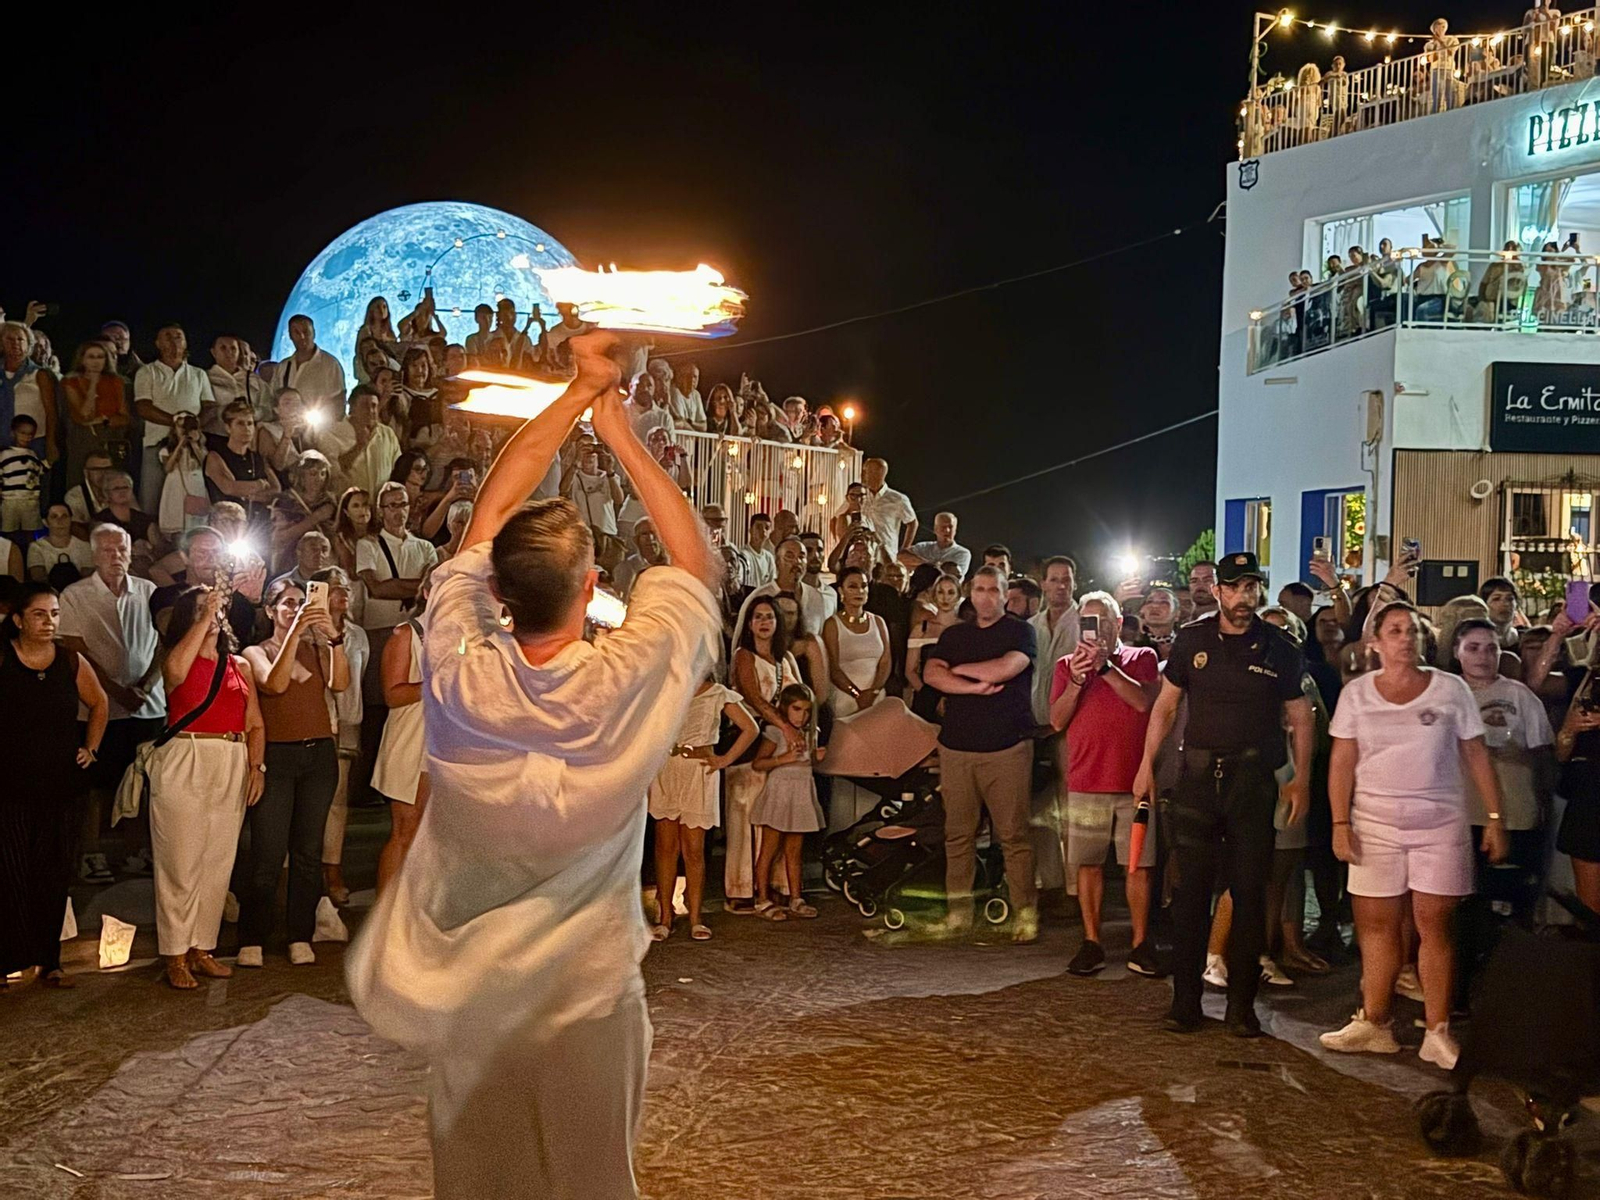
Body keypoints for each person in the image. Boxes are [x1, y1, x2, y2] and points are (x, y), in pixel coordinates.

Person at [347, 329, 721, 1200]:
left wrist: (571, 393)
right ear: (591, 589)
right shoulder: (627, 680)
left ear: (499, 596)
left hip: (474, 1001)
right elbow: (696, 562)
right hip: (589, 1000)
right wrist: (618, 424)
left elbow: (484, 520)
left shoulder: (458, 670)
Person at [1319, 603, 1509, 1069]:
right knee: (1377, 929)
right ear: (1376, 642)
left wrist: (1494, 816)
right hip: (1374, 825)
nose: (1405, 639)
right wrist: (1339, 823)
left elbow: (1477, 755)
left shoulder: (1450, 689)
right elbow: (1342, 762)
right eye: (1394, 630)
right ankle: (1375, 1021)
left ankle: (1437, 1029)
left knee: (1434, 927)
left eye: (1412, 631)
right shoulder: (1357, 694)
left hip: (1439, 825)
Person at [1134, 552, 1313, 1037]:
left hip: (1252, 783)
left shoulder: (1278, 645)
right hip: (1197, 781)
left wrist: (1300, 779)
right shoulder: (1193, 639)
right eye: (1234, 588)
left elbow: (1301, 716)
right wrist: (1146, 766)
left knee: (1249, 895)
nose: (1243, 597)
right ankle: (1184, 1004)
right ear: (1218, 591)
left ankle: (1240, 1009)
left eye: (1251, 587)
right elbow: (1165, 709)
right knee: (1190, 898)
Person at [149, 584, 266, 990]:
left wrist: (257, 766)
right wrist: (202, 619)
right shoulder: (175, 656)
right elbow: (176, 674)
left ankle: (202, 947)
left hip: (230, 757)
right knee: (181, 861)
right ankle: (175, 953)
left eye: (216, 608)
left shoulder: (240, 665)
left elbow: (254, 721)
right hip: (188, 754)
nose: (213, 613)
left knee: (218, 862)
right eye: (201, 608)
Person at [922, 565, 1040, 941]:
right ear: (970, 594)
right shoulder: (955, 634)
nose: (986, 596)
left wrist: (958, 673)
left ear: (1006, 594)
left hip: (1006, 749)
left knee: (1014, 837)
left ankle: (1024, 915)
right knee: (958, 836)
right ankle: (960, 914)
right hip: (957, 748)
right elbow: (930, 674)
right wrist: (973, 687)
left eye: (994, 589)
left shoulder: (1021, 631)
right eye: (980, 589)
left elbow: (1007, 667)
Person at [235, 579, 348, 968]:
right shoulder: (255, 651)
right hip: (277, 758)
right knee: (267, 852)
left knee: (308, 851)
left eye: (301, 602)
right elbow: (275, 684)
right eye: (287, 603)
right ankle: (253, 935)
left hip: (318, 755)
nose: (295, 609)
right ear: (270, 610)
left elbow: (342, 683)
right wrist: (296, 632)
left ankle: (300, 934)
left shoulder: (317, 648)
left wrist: (332, 638)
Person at [1049, 591, 1162, 976]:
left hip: (1132, 780)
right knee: (1088, 863)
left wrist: (1106, 668)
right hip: (1087, 778)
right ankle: (1092, 940)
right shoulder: (1068, 665)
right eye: (1089, 622)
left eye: (1103, 622)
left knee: (1138, 865)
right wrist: (1079, 678)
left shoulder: (1141, 658)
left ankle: (1141, 943)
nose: (1096, 630)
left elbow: (1143, 702)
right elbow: (1057, 720)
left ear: (1117, 624)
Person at [0, 584, 107, 988]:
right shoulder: (4, 658)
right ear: (19, 619)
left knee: (52, 873)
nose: (50, 622)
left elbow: (99, 703)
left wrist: (90, 748)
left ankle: (50, 960)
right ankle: (7, 959)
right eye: (40, 614)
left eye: (55, 614)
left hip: (59, 784)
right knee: (9, 872)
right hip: (9, 785)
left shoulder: (69, 661)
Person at [57, 524, 166, 880]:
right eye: (106, 550)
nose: (115, 556)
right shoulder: (75, 595)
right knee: (95, 786)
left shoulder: (149, 592)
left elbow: (164, 643)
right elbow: (75, 651)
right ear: (93, 554)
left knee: (141, 781)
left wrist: (145, 686)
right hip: (96, 708)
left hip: (146, 706)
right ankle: (92, 854)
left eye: (121, 549)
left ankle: (136, 851)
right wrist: (114, 691)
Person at [649, 676, 757, 942]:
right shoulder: (667, 688)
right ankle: (665, 915)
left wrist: (725, 760)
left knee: (694, 848)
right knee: (665, 846)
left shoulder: (718, 693)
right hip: (667, 768)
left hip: (700, 770)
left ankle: (696, 916)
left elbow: (750, 728)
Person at [725, 596, 804, 914]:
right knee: (745, 817)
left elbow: (802, 694)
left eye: (769, 616)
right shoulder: (744, 656)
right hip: (752, 742)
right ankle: (742, 888)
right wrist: (784, 726)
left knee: (775, 819)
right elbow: (753, 697)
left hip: (778, 747)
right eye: (757, 617)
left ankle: (776, 885)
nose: (763, 622)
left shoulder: (785, 660)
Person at [312, 566, 367, 907]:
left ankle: (332, 867)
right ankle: (298, 868)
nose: (342, 594)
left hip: (346, 720)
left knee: (337, 800)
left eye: (345, 588)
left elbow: (356, 684)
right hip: (316, 721)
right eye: (334, 588)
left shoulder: (357, 635)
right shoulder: (307, 632)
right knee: (309, 802)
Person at [750, 684, 827, 921]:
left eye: (806, 710)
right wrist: (783, 758)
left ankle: (796, 897)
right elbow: (758, 763)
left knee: (794, 850)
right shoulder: (776, 732)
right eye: (796, 709)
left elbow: (810, 760)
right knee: (769, 849)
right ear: (785, 708)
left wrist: (817, 756)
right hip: (781, 792)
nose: (801, 715)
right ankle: (762, 898)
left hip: (801, 792)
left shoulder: (811, 732)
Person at [371, 614, 428, 894]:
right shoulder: (407, 633)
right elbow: (392, 695)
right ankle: (385, 914)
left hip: (442, 744)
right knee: (406, 828)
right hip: (410, 739)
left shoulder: (465, 632)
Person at [135, 323, 215, 514]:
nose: (173, 340)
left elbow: (210, 406)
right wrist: (176, 422)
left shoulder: (198, 374)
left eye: (178, 336)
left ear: (186, 342)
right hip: (157, 445)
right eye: (167, 336)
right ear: (157, 343)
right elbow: (143, 407)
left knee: (192, 501)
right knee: (152, 502)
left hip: (193, 450)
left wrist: (193, 428)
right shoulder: (147, 372)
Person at [61, 340, 132, 491]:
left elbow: (124, 417)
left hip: (109, 438)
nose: (95, 361)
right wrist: (93, 384)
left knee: (112, 485)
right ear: (82, 359)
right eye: (91, 357)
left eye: (100, 357)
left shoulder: (116, 381)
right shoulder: (71, 382)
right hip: (82, 440)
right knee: (80, 485)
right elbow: (85, 415)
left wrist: (104, 420)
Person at [824, 565, 891, 717]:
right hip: (846, 696)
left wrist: (874, 692)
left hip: (876, 695)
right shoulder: (832, 625)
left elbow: (886, 661)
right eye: (853, 586)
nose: (859, 591)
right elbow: (833, 667)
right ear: (841, 591)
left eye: (864, 586)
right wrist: (857, 694)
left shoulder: (878, 621)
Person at [204, 400, 281, 527]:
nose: (246, 429)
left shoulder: (257, 458)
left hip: (258, 524)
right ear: (228, 428)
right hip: (228, 525)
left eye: (249, 424)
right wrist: (260, 484)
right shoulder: (215, 456)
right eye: (240, 423)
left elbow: (276, 489)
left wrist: (248, 494)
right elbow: (229, 488)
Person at [326, 385, 402, 499]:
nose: (371, 411)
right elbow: (333, 474)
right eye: (364, 406)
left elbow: (398, 469)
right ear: (352, 408)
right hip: (350, 508)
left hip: (381, 508)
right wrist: (359, 446)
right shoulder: (334, 434)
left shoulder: (388, 434)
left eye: (374, 406)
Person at [1029, 556, 1081, 724]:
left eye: (1066, 580)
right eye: (1054, 580)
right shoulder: (1031, 626)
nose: (1061, 586)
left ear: (1075, 584)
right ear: (1043, 584)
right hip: (1032, 720)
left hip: (1072, 722)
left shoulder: (1085, 624)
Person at [269, 451, 337, 572]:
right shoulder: (285, 502)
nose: (319, 479)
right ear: (301, 476)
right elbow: (279, 538)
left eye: (322, 474)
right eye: (313, 474)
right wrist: (315, 518)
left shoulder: (329, 502)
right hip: (292, 562)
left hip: (324, 563)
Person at [271, 315, 347, 417]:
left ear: (314, 333)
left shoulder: (330, 364)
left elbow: (338, 400)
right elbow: (273, 397)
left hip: (318, 429)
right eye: (296, 333)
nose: (302, 337)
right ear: (290, 335)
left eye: (306, 332)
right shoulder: (283, 367)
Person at [156, 412, 210, 539]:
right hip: (176, 485)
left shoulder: (201, 449)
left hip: (195, 482)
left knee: (195, 520)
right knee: (177, 517)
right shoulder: (166, 449)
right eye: (180, 427)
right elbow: (168, 467)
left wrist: (194, 443)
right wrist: (180, 444)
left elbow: (205, 465)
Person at [859, 457, 917, 556]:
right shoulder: (859, 495)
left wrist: (904, 549)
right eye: (865, 472)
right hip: (862, 552)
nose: (865, 476)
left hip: (886, 553)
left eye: (868, 472)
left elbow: (912, 522)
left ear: (881, 473)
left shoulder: (898, 499)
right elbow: (839, 515)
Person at [1, 414, 45, 538]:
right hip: (10, 500)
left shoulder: (33, 454)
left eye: (30, 434)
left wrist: (50, 462)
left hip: (31, 500)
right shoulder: (5, 454)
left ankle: (28, 555)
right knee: (9, 532)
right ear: (13, 433)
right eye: (23, 433)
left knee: (30, 533)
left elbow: (38, 471)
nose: (27, 437)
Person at [28, 503, 93, 582]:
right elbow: (38, 579)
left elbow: (87, 579)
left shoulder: (84, 546)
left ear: (70, 519)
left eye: (64, 516)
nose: (60, 521)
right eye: (54, 517)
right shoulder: (36, 547)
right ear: (45, 522)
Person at [900, 510, 971, 579]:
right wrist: (933, 565)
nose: (947, 530)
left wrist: (919, 566)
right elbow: (901, 557)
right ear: (935, 529)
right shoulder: (922, 547)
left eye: (950, 527)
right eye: (943, 527)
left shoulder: (963, 553)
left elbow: (951, 576)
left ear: (955, 530)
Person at [1479, 575, 1522, 648]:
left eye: (1510, 599)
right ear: (1484, 605)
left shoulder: (1525, 639)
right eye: (1496, 599)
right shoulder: (1477, 639)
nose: (1505, 603)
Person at [742, 512, 776, 588]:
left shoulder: (769, 557)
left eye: (766, 528)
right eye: (758, 527)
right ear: (750, 530)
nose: (763, 531)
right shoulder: (744, 555)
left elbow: (772, 584)